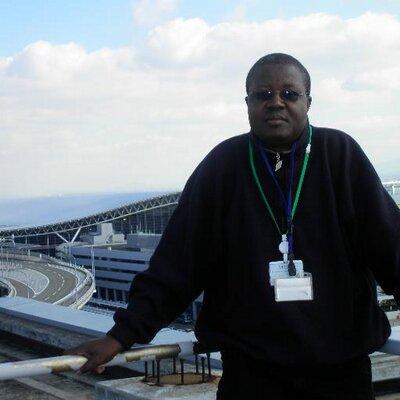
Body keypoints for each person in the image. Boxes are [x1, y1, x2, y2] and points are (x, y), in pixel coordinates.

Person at [67, 53, 400, 399]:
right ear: (247, 103)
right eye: (263, 94)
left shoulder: (339, 155)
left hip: (340, 373)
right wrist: (121, 335)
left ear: (308, 102)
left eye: (289, 94)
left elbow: (391, 247)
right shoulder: (223, 165)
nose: (276, 103)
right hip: (251, 374)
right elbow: (177, 266)